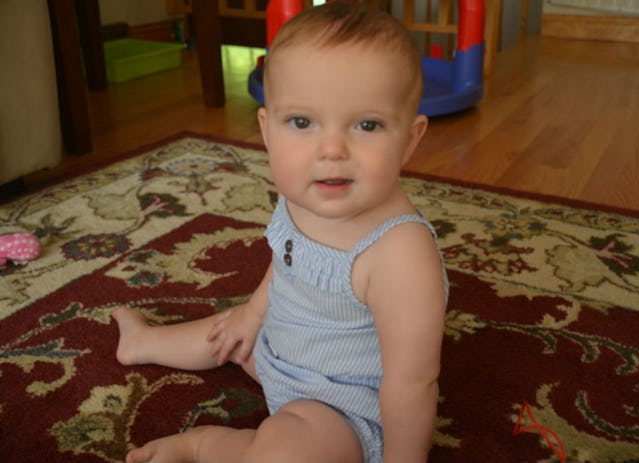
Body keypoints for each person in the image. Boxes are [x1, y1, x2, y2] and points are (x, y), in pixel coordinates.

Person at [111, 2, 447, 462]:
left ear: (410, 138)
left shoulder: (400, 253)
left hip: (340, 408)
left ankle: (201, 444)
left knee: (289, 452)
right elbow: (289, 264)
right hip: (279, 351)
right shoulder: (303, 194)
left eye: (367, 125)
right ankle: (142, 342)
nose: (331, 150)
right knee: (223, 332)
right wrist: (251, 314)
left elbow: (413, 382)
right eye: (302, 122)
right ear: (267, 130)